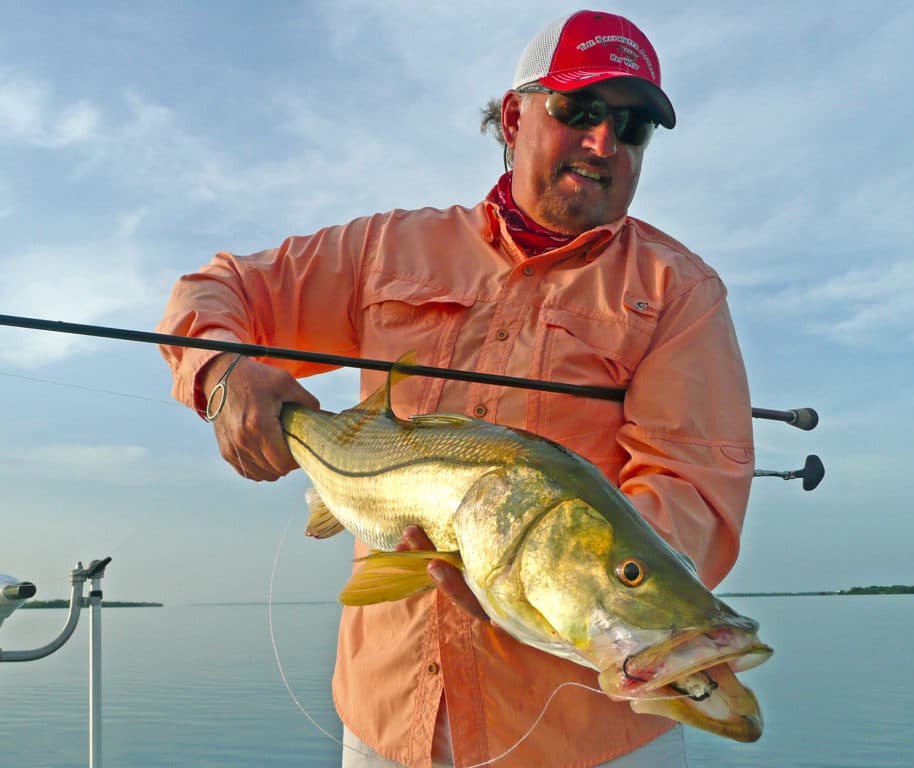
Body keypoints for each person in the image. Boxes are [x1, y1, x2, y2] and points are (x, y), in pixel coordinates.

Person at [158, 10, 754, 768]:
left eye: (633, 126)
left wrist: (561, 580)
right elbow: (217, 291)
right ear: (514, 116)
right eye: (579, 110)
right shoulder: (387, 250)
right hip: (388, 713)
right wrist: (222, 374)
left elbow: (693, 491)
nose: (604, 141)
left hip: (589, 737)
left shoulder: (678, 293)